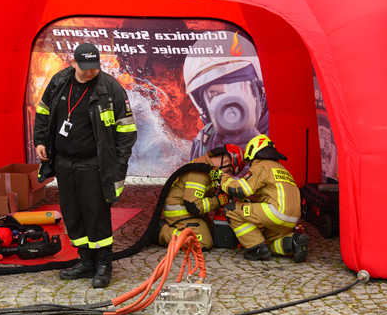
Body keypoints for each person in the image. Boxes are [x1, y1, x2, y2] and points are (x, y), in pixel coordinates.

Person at [33, 43, 137, 288]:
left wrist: (118, 162)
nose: (91, 72)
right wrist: (39, 141)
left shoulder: (110, 89)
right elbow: (43, 111)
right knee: (72, 215)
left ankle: (103, 265)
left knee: (96, 215)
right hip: (64, 163)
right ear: (74, 63)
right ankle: (85, 261)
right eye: (86, 68)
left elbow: (127, 130)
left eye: (95, 67)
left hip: (94, 164)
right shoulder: (60, 82)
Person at [217, 134, 309, 262]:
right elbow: (268, 193)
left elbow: (241, 189)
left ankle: (256, 248)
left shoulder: (261, 166)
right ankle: (293, 243)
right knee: (272, 243)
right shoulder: (281, 169)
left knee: (232, 209)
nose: (250, 165)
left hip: (275, 213)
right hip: (292, 218)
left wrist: (222, 178)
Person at [183, 31, 269, 159]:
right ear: (205, 109)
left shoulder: (285, 131)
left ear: (259, 92)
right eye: (215, 94)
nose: (229, 102)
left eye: (237, 88)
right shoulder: (205, 140)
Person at [157, 144, 244, 249]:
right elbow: (193, 206)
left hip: (191, 214)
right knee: (203, 241)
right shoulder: (200, 172)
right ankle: (161, 232)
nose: (228, 174)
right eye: (229, 170)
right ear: (225, 161)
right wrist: (219, 200)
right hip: (181, 214)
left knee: (213, 233)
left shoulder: (210, 170)